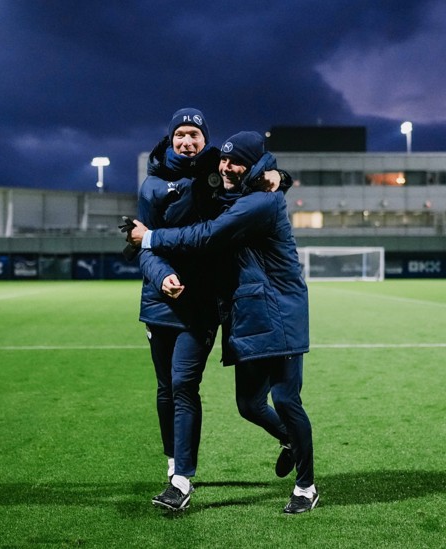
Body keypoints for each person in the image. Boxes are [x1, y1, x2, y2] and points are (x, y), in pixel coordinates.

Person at [129, 131, 319, 514]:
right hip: (246, 314)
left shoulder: (260, 204)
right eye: (225, 161)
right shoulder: (240, 192)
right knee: (249, 404)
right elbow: (216, 197)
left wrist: (149, 238)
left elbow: (209, 234)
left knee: (284, 398)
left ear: (253, 165)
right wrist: (281, 177)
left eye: (237, 162)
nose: (227, 168)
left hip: (280, 312)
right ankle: (288, 440)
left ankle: (306, 486)